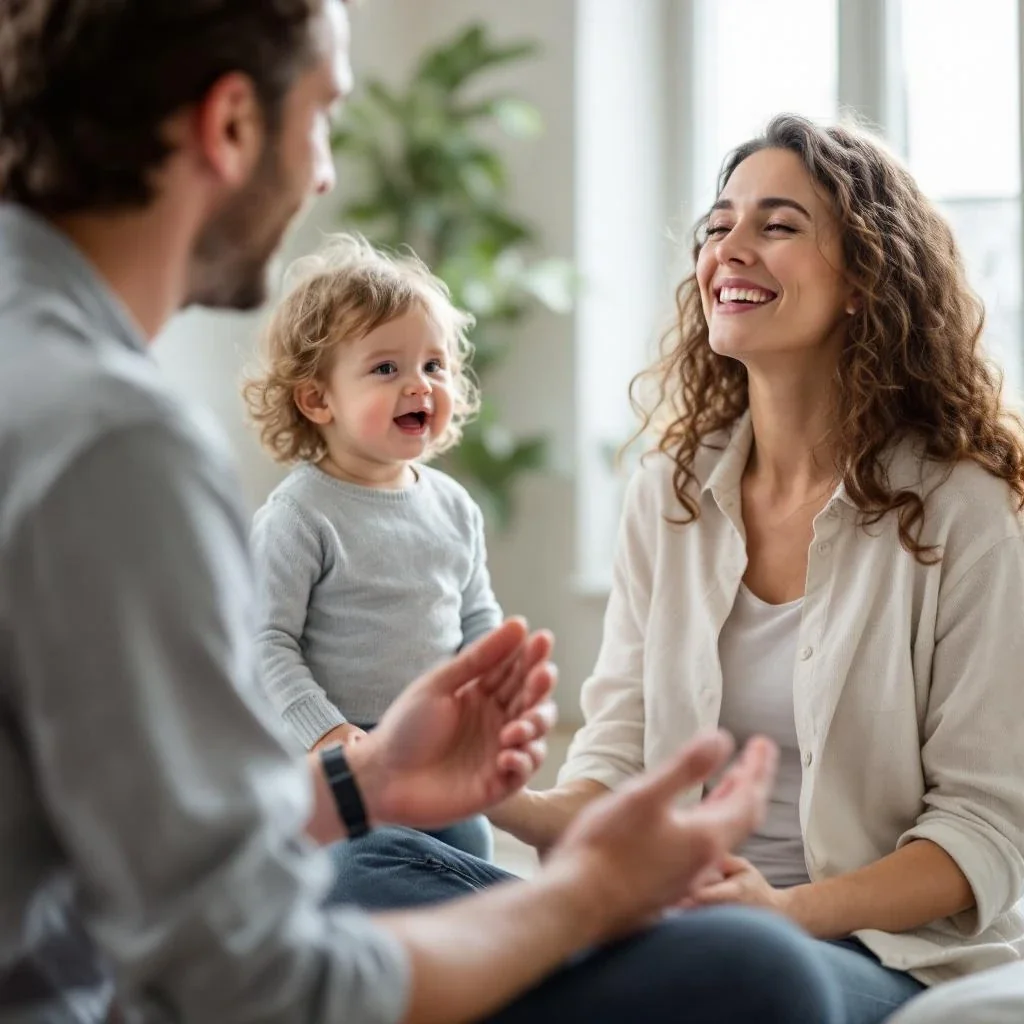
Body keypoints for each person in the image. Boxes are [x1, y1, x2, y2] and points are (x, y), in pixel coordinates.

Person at [0, 4, 847, 1024]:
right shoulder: (110, 442)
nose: (322, 173)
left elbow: (125, 836)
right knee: (759, 974)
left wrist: (362, 783)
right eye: (323, 119)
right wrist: (584, 896)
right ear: (230, 126)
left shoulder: (41, 376)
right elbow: (242, 981)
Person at [488, 114, 1024, 1024]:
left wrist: (778, 912)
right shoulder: (670, 489)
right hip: (667, 918)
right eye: (717, 225)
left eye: (777, 226)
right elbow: (618, 759)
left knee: (734, 977)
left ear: (865, 278)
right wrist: (506, 801)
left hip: (862, 953)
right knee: (376, 869)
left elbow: (984, 830)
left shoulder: (966, 507)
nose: (729, 249)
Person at [243, 234, 500, 859]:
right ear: (317, 398)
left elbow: (475, 615)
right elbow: (264, 641)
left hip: (433, 746)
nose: (420, 386)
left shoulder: (454, 506)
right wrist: (325, 732)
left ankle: (476, 921)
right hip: (338, 753)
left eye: (434, 366)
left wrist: (491, 684)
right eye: (386, 368)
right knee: (365, 863)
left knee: (471, 846)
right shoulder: (299, 515)